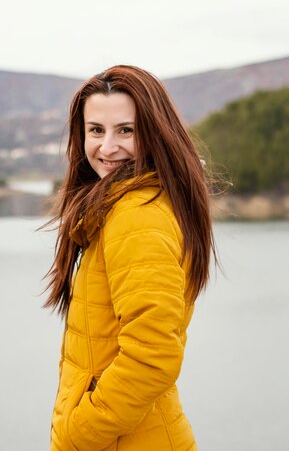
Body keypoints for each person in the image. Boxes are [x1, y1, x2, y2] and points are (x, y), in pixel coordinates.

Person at [43, 65, 216, 451]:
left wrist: (78, 434)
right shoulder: (131, 204)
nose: (107, 148)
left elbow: (153, 355)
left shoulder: (136, 213)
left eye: (126, 130)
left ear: (154, 132)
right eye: (96, 130)